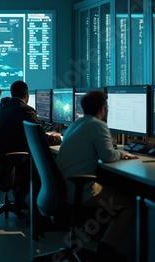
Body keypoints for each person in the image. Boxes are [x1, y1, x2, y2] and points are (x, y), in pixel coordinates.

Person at [56, 90, 137, 259]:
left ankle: (93, 233)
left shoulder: (76, 124)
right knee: (129, 202)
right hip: (79, 190)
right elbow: (108, 156)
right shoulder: (97, 125)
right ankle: (107, 248)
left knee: (112, 188)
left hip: (64, 187)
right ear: (102, 109)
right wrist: (122, 154)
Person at [0, 80, 61, 207]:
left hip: (1, 159)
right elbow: (40, 137)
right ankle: (40, 210)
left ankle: (27, 200)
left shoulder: (1, 110)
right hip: (13, 160)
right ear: (27, 95)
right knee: (45, 165)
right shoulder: (26, 110)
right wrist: (59, 138)